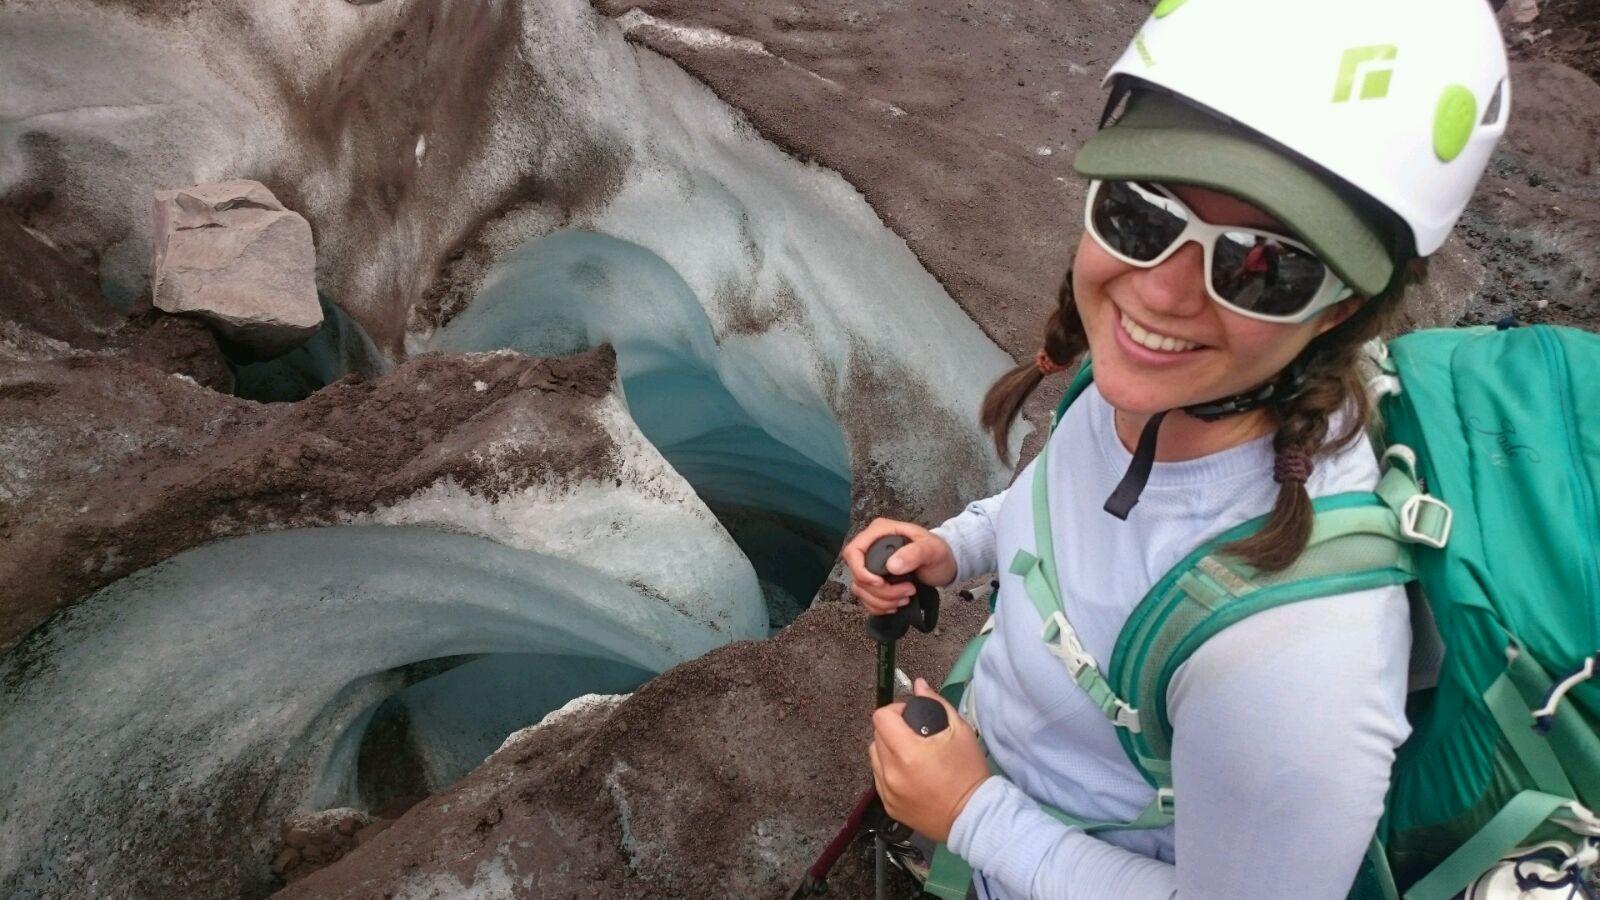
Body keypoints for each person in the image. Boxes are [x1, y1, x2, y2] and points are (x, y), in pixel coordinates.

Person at [842, 0, 1510, 896]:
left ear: (1346, 305)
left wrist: (972, 815)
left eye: (1259, 265)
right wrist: (956, 546)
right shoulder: (1147, 396)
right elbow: (1057, 511)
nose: (1160, 295)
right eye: (1139, 212)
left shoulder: (1295, 658)